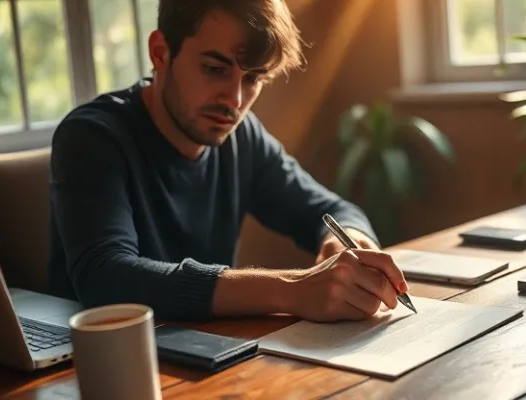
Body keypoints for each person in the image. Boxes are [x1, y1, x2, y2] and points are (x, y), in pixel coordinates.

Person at [47, 0, 409, 323]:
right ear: (160, 53)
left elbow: (331, 209)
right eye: (214, 69)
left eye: (252, 78)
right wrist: (291, 289)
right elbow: (106, 277)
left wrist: (343, 243)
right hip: (93, 369)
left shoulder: (241, 137)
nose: (234, 100)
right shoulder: (92, 137)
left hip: (209, 359)